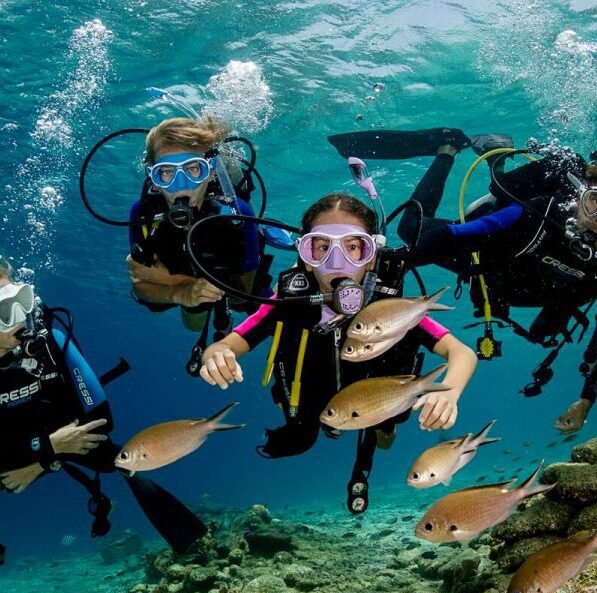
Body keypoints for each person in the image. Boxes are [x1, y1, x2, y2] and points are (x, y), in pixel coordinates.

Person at [328, 127, 597, 433]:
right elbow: (456, 235)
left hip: (519, 291)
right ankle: (447, 149)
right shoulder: (537, 214)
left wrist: (586, 401)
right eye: (595, 202)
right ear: (578, 198)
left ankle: (490, 154)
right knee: (410, 228)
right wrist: (403, 259)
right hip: (484, 262)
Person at [199, 194, 477, 513]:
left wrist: (449, 393)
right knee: (300, 439)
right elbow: (230, 343)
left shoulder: (390, 310)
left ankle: (374, 434)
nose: (336, 263)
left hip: (381, 399)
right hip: (307, 397)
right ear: (305, 255)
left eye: (353, 246)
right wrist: (217, 353)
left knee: (383, 435)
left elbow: (461, 352)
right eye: (320, 247)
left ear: (371, 256)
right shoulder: (287, 300)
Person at [0, 257, 207, 556]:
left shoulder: (50, 340)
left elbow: (100, 420)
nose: (21, 319)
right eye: (6, 310)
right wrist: (46, 450)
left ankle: (189, 537)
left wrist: (45, 458)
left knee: (119, 459)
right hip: (35, 442)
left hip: (60, 435)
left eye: (23, 300)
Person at [127, 116, 273, 370]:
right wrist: (182, 291)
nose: (180, 185)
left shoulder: (237, 214)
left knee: (258, 309)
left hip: (235, 278)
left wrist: (167, 280)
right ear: (153, 177)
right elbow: (141, 289)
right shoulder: (144, 214)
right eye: (167, 173)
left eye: (193, 169)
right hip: (192, 286)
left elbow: (242, 293)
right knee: (192, 321)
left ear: (210, 172)